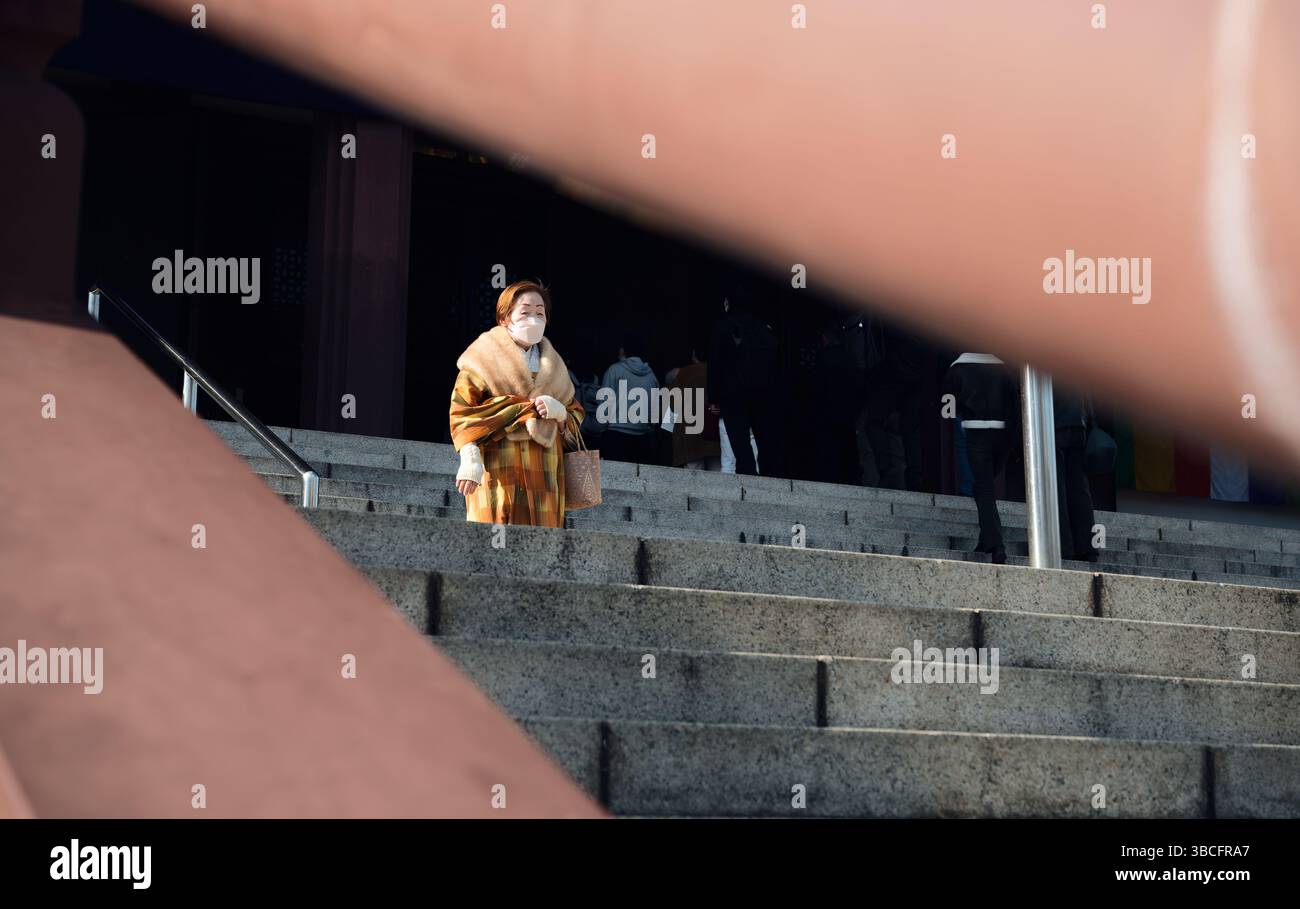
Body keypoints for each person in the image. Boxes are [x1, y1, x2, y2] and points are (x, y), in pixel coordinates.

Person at [449, 280, 585, 527]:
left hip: (545, 472)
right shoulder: (482, 361)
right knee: (495, 533)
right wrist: (469, 458)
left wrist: (561, 413)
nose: (533, 318)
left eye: (539, 312)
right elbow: (462, 411)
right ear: (504, 318)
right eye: (525, 311)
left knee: (543, 542)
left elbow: (575, 418)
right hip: (499, 466)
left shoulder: (556, 370)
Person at [946, 352, 1017, 564]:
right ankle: (985, 539)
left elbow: (947, 407)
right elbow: (1013, 406)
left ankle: (997, 545)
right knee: (983, 485)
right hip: (1001, 435)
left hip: (976, 433)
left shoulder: (957, 367)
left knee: (984, 486)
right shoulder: (1003, 367)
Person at [706, 285, 782, 476]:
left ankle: (748, 477)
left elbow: (715, 363)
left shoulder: (723, 326)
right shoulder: (764, 330)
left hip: (733, 395)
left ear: (730, 302)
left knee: (741, 446)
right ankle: (767, 477)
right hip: (762, 394)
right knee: (764, 442)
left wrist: (714, 396)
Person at [811, 319, 864, 485]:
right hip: (847, 415)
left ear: (825, 339)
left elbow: (816, 387)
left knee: (828, 455)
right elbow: (859, 387)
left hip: (827, 414)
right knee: (848, 454)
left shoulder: (823, 358)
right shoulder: (850, 359)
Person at [596, 331, 661, 465]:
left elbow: (604, 408)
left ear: (623, 350)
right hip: (642, 439)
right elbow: (655, 413)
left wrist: (601, 431)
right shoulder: (652, 376)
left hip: (616, 437)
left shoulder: (614, 370)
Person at [1054, 387, 1100, 562]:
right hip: (1079, 426)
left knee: (1058, 487)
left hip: (1055, 425)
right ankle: (1088, 548)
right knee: (1080, 488)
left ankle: (1064, 546)